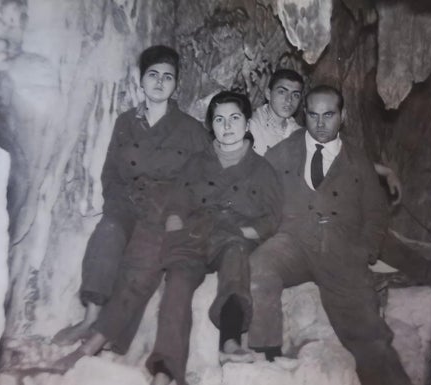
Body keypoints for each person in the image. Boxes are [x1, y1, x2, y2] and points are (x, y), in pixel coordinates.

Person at [53, 92, 282, 385]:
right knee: (177, 284)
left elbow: (273, 215)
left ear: (247, 122)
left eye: (234, 118)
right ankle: (164, 372)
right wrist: (175, 225)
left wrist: (250, 232)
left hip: (231, 237)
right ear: (211, 125)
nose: (227, 126)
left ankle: (230, 341)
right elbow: (178, 199)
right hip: (194, 234)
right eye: (219, 119)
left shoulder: (262, 170)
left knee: (235, 260)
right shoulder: (198, 162)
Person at [247, 85, 412, 385]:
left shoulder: (357, 161)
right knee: (259, 267)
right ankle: (266, 355)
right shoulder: (282, 153)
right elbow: (257, 197)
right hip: (292, 243)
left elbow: (375, 213)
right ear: (304, 115)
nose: (320, 123)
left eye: (328, 115)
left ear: (343, 116)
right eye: (313, 115)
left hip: (341, 251)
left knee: (367, 334)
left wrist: (366, 250)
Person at [52, 45, 210, 346]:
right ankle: (90, 316)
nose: (160, 82)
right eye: (153, 75)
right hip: (127, 202)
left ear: (176, 84)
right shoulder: (126, 122)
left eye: (168, 76)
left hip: (165, 209)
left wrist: (181, 215)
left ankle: (107, 336)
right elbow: (111, 171)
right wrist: (115, 206)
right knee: (108, 232)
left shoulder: (192, 130)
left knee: (142, 258)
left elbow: (202, 182)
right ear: (141, 80)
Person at [249, 69, 402, 201]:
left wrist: (386, 172)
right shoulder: (249, 127)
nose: (288, 100)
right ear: (268, 94)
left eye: (295, 95)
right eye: (282, 92)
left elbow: (340, 156)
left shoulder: (296, 132)